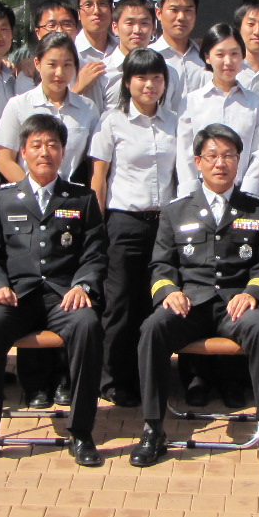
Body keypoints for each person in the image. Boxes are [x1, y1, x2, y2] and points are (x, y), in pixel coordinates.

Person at [133, 123, 259, 473]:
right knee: (152, 329)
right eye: (213, 156)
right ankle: (153, 428)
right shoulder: (176, 210)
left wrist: (252, 292)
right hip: (191, 304)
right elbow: (161, 264)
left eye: (229, 156)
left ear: (239, 161)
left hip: (237, 304)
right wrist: (169, 291)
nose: (221, 163)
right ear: (198, 162)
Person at [0, 113, 107, 468]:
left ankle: (81, 431)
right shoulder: (1, 199)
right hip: (16, 297)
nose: (45, 152)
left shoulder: (82, 198)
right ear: (23, 152)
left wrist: (82, 285)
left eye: (52, 145)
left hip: (64, 297)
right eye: (36, 145)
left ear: (63, 152)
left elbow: (95, 253)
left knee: (88, 326)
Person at [89, 48, 179, 409]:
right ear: (128, 82)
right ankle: (113, 379)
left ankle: (149, 376)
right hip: (124, 221)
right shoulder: (112, 121)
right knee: (120, 303)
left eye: (157, 78)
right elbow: (99, 178)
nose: (149, 85)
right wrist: (97, 226)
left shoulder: (176, 122)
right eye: (141, 77)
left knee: (153, 302)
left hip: (165, 224)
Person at [177, 23, 259, 198]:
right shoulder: (191, 102)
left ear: (243, 56)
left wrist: (247, 194)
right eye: (220, 54)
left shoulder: (257, 105)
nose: (228, 61)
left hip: (242, 193)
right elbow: (185, 153)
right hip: (200, 194)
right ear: (207, 57)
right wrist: (190, 197)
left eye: (234, 54)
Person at [0, 31, 99, 186]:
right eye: (52, 64)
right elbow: (4, 160)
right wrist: (35, 192)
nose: (59, 73)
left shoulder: (88, 108)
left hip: (70, 196)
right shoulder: (18, 105)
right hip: (27, 195)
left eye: (67, 65)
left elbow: (94, 163)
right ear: (37, 63)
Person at [96, 0, 184, 112]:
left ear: (154, 28)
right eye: (130, 23)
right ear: (115, 27)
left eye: (144, 23)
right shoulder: (101, 73)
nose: (137, 30)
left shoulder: (169, 73)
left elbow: (175, 115)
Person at [74, 0, 117, 94]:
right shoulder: (71, 52)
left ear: (112, 10)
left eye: (102, 4)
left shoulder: (121, 49)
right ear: (78, 13)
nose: (96, 11)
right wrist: (78, 88)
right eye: (88, 5)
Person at [151, 0, 203, 74]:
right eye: (174, 10)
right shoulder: (148, 56)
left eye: (188, 10)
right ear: (158, 13)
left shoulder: (206, 57)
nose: (181, 17)